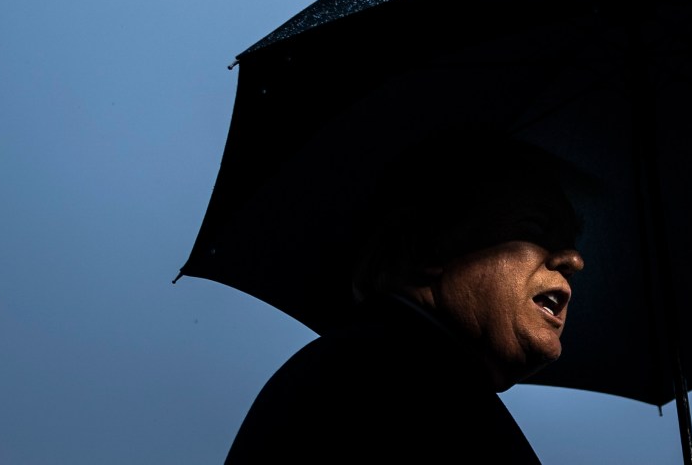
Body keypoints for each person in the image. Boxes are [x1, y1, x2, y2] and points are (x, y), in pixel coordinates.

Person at [223, 131, 585, 463]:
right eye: (536, 228)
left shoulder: (397, 371)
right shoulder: (395, 383)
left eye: (572, 243)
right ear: (426, 247)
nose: (573, 260)